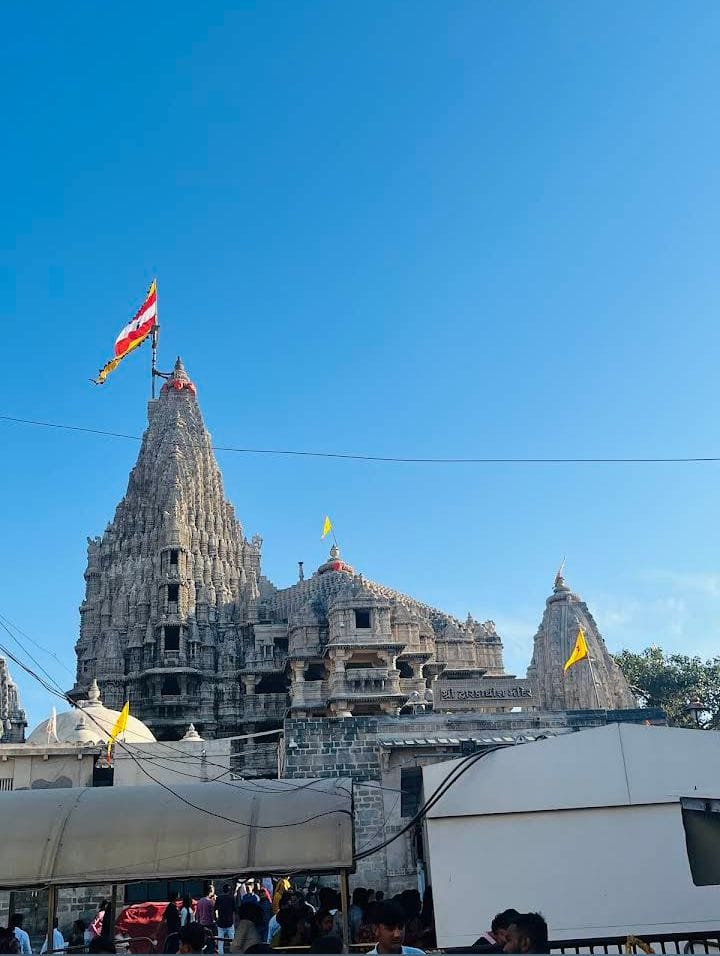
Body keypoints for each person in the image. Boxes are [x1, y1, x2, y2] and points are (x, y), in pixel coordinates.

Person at [215, 884, 235, 954]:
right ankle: (233, 953)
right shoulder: (232, 898)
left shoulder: (218, 898)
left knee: (220, 942)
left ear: (223, 890)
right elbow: (235, 911)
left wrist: (215, 919)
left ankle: (221, 954)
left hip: (220, 922)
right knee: (232, 940)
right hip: (230, 922)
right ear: (229, 891)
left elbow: (214, 910)